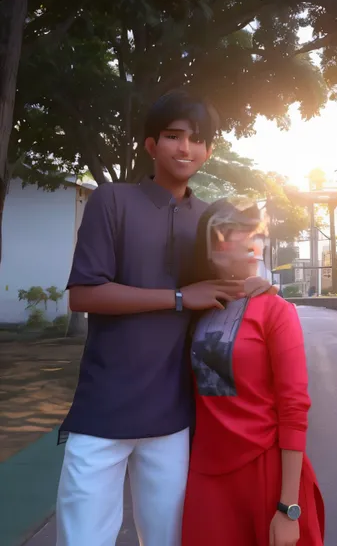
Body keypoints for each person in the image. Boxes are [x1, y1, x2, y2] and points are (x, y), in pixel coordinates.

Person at [55, 90, 271, 546]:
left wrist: (255, 286)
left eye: (197, 140)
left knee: (168, 538)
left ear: (209, 151)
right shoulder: (111, 201)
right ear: (151, 145)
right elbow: (84, 294)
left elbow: (227, 285)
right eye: (173, 136)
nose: (185, 148)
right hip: (103, 408)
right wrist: (177, 297)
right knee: (82, 539)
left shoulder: (209, 219)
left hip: (172, 414)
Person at [182, 199, 325, 546]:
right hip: (206, 473)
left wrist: (288, 506)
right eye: (231, 235)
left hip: (266, 471)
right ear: (210, 249)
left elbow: (293, 406)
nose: (249, 244)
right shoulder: (195, 308)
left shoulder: (276, 310)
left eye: (254, 234)